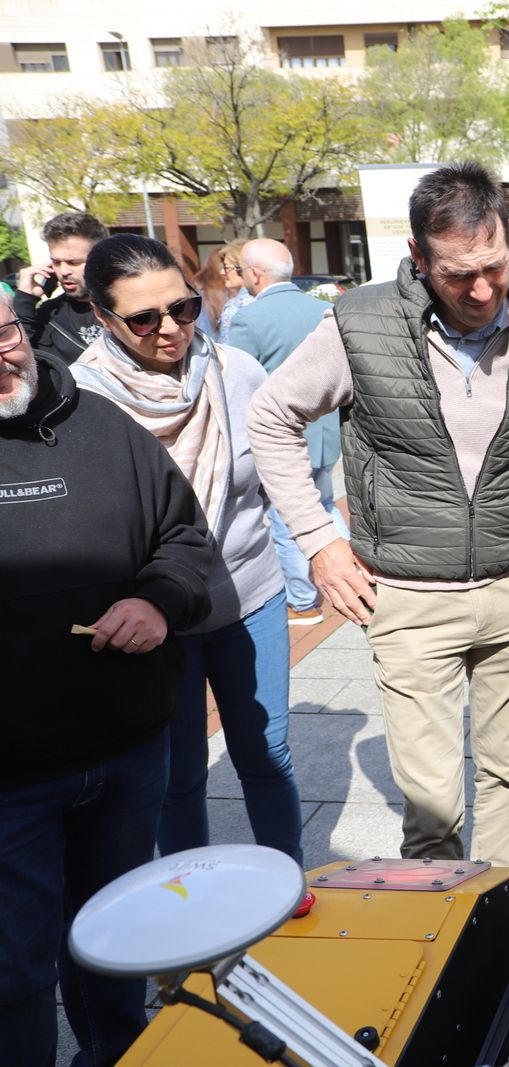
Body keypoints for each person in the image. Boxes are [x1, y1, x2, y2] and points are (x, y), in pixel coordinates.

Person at [248, 161, 509, 867]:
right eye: (457, 275)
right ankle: (439, 956)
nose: (482, 289)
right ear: (419, 258)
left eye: (493, 265)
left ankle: (503, 934)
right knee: (432, 806)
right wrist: (321, 544)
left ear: (508, 237)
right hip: (413, 599)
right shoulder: (360, 323)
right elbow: (270, 416)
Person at [0, 289, 213, 1067]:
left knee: (120, 942)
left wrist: (158, 600)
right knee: (13, 973)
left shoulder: (101, 425)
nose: (3, 357)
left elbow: (184, 537)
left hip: (125, 748)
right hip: (10, 775)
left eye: (6, 335)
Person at [72, 234, 302, 866]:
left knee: (268, 753)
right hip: (155, 615)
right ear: (101, 315)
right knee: (178, 773)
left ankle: (288, 884)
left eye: (183, 308)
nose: (169, 329)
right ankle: (188, 899)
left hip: (249, 595)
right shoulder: (81, 401)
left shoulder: (237, 372)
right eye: (143, 319)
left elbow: (279, 477)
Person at [227, 238, 348, 626]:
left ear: (256, 273)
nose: (243, 278)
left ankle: (303, 600)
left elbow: (236, 382)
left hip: (281, 440)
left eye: (243, 271)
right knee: (324, 505)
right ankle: (356, 569)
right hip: (327, 433)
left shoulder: (249, 319)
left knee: (286, 519)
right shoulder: (325, 309)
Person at [12, 211, 107, 365]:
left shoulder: (128, 303)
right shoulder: (49, 315)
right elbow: (20, 359)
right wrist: (25, 300)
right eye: (56, 262)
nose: (63, 271)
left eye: (74, 262)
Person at [195, 239, 251, 342]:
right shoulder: (269, 298)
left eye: (226, 267)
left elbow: (228, 347)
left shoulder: (234, 307)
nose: (222, 272)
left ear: (241, 268)